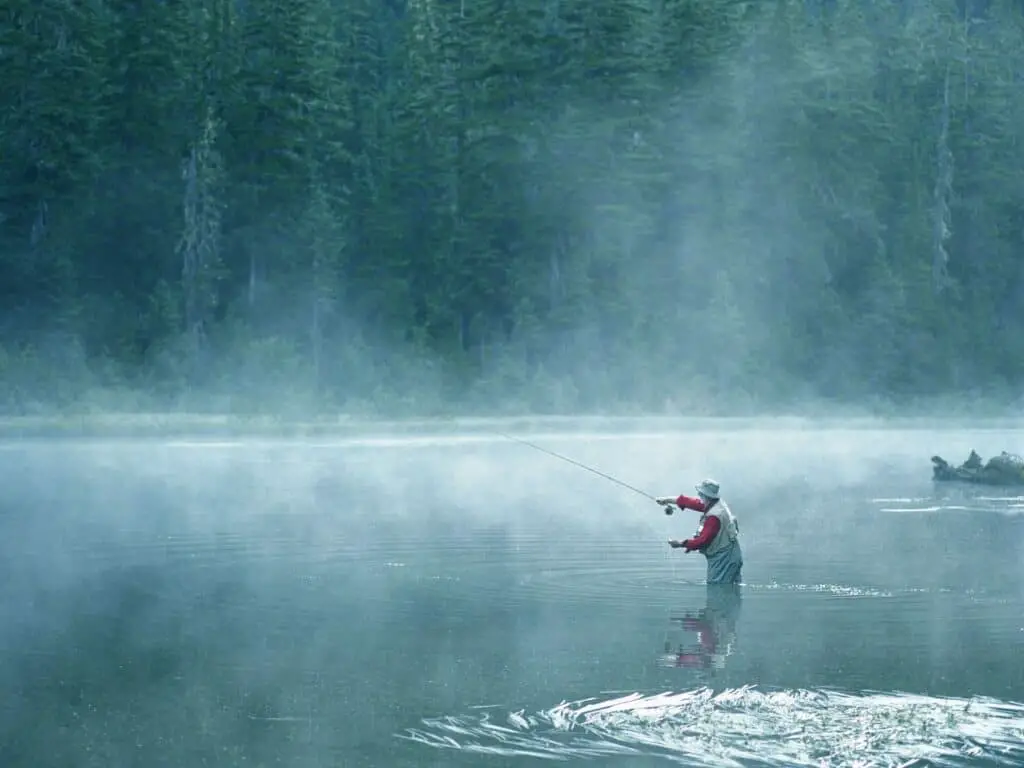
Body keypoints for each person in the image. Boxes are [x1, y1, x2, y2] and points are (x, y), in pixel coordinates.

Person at [656, 479, 743, 585]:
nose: (698, 495)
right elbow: (691, 502)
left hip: (724, 558)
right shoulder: (716, 503)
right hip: (732, 553)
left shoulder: (714, 517)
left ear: (707, 496)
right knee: (732, 590)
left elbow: (703, 541)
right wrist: (666, 500)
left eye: (701, 493)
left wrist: (680, 544)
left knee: (717, 589)